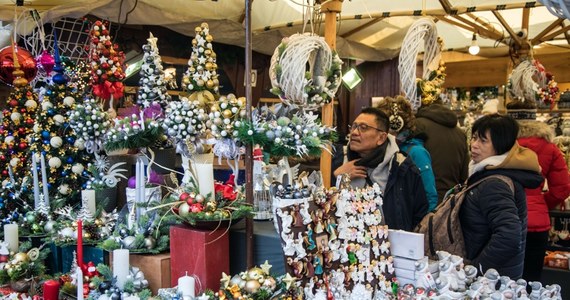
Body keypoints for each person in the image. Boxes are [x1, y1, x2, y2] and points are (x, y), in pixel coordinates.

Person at [460, 114, 543, 279]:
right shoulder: (487, 172)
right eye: (474, 138)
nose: (474, 145)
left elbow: (509, 235)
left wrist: (476, 270)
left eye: (483, 141)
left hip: (492, 282)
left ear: (500, 145)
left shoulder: (494, 183)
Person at [333, 107, 428, 231]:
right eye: (354, 126)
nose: (355, 132)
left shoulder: (402, 167)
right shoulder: (338, 160)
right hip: (345, 244)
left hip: (390, 245)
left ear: (381, 138)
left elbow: (419, 213)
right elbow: (320, 207)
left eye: (363, 128)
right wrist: (337, 176)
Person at [507, 101, 570, 282]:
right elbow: (562, 187)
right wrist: (541, 203)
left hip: (504, 217)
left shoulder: (503, 144)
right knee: (532, 278)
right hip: (537, 223)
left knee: (502, 278)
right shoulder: (549, 147)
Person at [376, 96, 438, 211]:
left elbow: (429, 197)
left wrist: (419, 226)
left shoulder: (417, 153)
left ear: (396, 124)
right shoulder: (380, 150)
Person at [415, 101, 469, 202]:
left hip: (424, 199)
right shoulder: (460, 133)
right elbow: (464, 174)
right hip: (451, 199)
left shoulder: (418, 125)